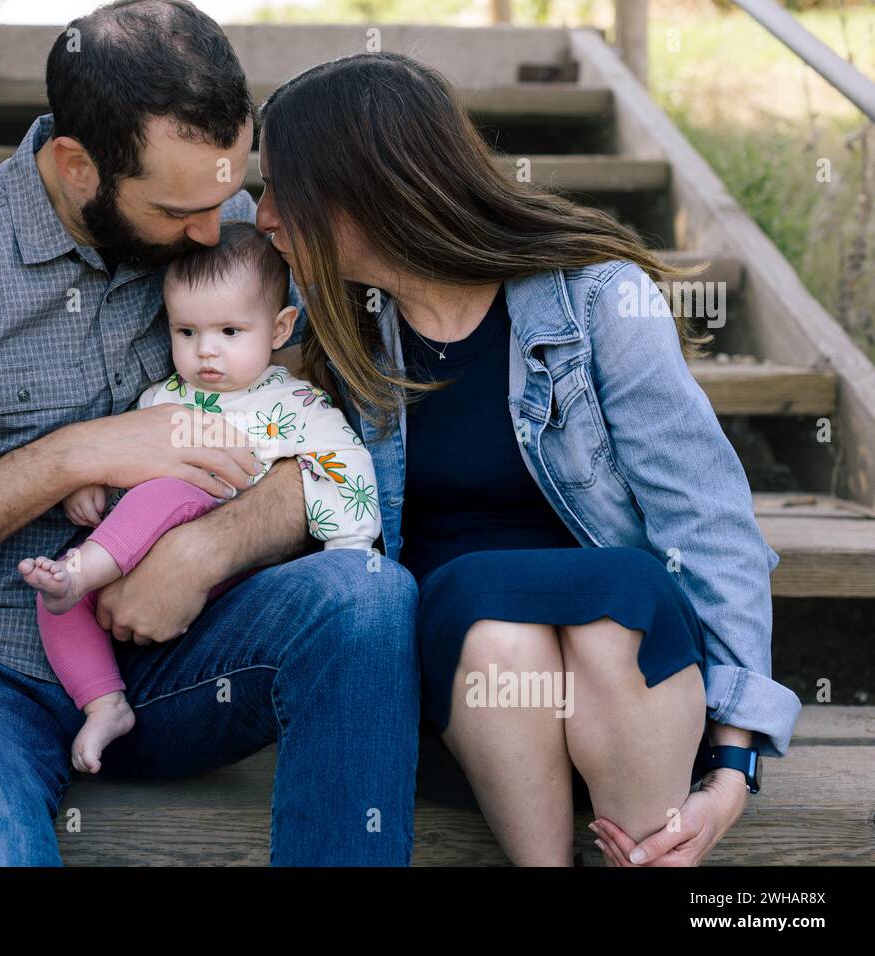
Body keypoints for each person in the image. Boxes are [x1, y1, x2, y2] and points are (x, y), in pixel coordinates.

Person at [0, 2, 419, 866]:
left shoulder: (232, 232)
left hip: (179, 655)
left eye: (226, 191)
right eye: (178, 210)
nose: (216, 229)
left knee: (367, 594)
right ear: (76, 166)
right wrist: (76, 453)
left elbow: (319, 444)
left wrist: (206, 553)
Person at [254, 51, 802, 866]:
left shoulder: (595, 298)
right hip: (467, 700)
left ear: (365, 190)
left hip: (631, 697)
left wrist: (733, 763)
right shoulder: (330, 330)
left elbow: (707, 518)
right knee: (492, 620)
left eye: (281, 189)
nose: (263, 216)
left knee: (623, 595)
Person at [21, 223, 380, 774]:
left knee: (167, 492)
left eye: (231, 331)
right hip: (133, 569)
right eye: (186, 332)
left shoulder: (298, 404)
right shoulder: (162, 399)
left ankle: (81, 571)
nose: (206, 351)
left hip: (233, 582)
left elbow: (344, 465)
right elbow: (119, 452)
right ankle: (104, 703)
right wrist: (92, 480)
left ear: (281, 327)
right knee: (55, 604)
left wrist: (349, 551)